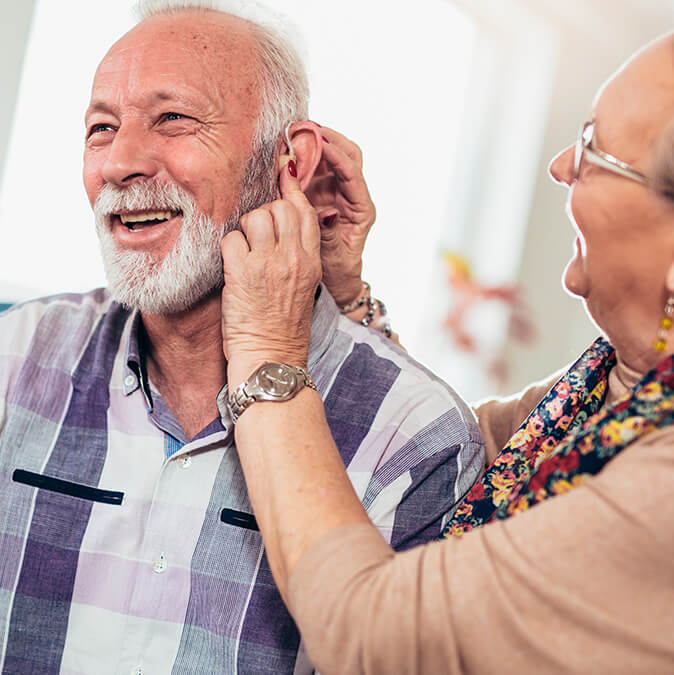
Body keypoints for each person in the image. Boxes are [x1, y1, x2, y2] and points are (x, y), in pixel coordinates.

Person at [0, 2, 485, 673]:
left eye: (173, 118)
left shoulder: (418, 439)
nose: (121, 162)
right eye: (101, 127)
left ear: (289, 162)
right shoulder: (14, 357)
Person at [219, 32, 674, 674]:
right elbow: (450, 455)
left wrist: (267, 354)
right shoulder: (602, 393)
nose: (562, 166)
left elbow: (373, 633)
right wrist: (346, 301)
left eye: (596, 152)